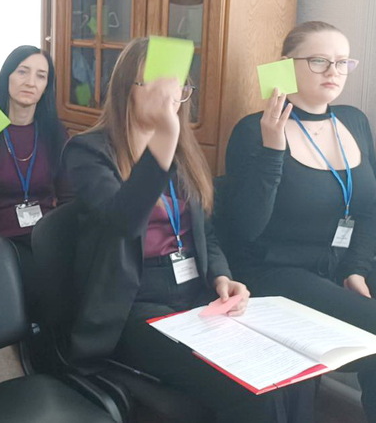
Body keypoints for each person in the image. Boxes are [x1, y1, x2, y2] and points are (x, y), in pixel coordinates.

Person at [63, 37, 313, 423]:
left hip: (195, 294)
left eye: (178, 85)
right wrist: (164, 141)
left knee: (294, 373)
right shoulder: (88, 151)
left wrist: (222, 277)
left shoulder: (182, 153)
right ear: (128, 88)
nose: (170, 95)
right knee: (251, 394)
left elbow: (204, 233)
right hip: (132, 303)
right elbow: (123, 222)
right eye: (158, 83)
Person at [223, 21, 376, 421]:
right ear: (286, 65)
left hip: (341, 262)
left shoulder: (354, 121)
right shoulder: (253, 130)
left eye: (342, 62)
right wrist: (273, 150)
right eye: (319, 61)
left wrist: (358, 268)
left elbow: (368, 209)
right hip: (275, 270)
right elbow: (245, 229)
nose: (333, 72)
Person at [0, 45, 69, 315]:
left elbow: (68, 198)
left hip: (44, 236)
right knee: (44, 286)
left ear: (47, 86)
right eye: (22, 72)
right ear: (7, 76)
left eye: (41, 76)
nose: (31, 82)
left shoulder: (53, 131)